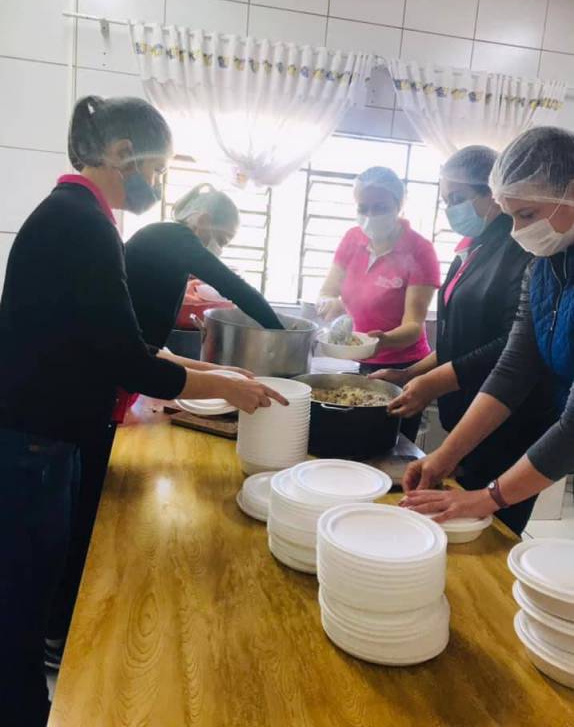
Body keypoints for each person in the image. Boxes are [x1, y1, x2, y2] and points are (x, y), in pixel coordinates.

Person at [0, 95, 285, 726]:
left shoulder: (76, 215)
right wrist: (223, 389)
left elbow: (115, 341)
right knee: (19, 605)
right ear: (123, 154)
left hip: (40, 438)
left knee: (27, 594)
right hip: (33, 446)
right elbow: (128, 361)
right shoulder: (82, 225)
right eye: (156, 170)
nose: (156, 184)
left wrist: (215, 374)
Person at [370, 146, 555, 534]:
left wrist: (435, 383)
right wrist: (409, 375)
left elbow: (515, 350)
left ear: (492, 194)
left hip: (511, 424)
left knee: (489, 534)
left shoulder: (526, 251)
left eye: (457, 198)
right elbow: (459, 340)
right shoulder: (471, 251)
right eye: (446, 201)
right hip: (469, 420)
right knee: (452, 524)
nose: (451, 210)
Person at [317, 166, 440, 442]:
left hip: (402, 368)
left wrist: (379, 342)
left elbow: (413, 326)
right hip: (356, 363)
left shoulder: (420, 250)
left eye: (380, 208)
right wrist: (328, 303)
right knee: (347, 441)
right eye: (363, 208)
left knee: (389, 445)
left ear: (399, 205)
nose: (370, 216)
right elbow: (328, 290)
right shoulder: (352, 238)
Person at [125, 183, 283, 350]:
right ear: (204, 221)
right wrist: (280, 333)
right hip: (125, 346)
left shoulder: (166, 235)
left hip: (133, 343)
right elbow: (235, 288)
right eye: (221, 240)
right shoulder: (178, 238)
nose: (219, 249)